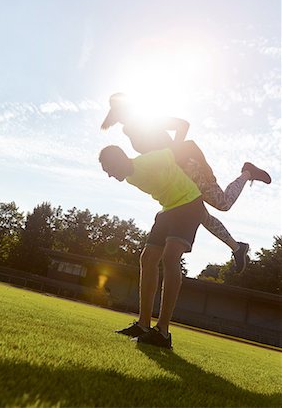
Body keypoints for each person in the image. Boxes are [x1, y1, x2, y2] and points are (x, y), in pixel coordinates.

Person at [101, 93, 271, 273]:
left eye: (121, 111)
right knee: (200, 215)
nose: (120, 118)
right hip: (176, 176)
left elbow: (183, 126)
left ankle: (247, 172)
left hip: (189, 168)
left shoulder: (147, 120)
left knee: (223, 203)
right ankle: (237, 248)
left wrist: (182, 156)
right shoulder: (129, 130)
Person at [99, 143, 205, 349]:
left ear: (118, 160)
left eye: (109, 170)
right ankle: (143, 325)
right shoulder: (130, 177)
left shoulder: (148, 159)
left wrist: (206, 168)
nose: (110, 176)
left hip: (189, 203)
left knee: (170, 257)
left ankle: (163, 332)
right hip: (169, 208)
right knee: (147, 258)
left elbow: (188, 146)